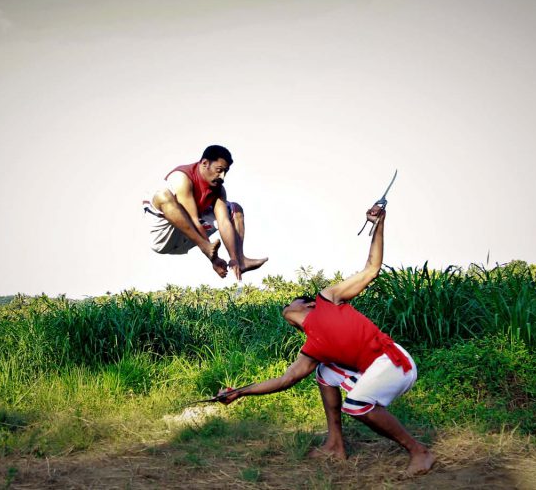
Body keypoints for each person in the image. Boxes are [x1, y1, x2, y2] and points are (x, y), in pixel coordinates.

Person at [216, 206, 435, 476]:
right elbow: (285, 380)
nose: (287, 304)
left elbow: (371, 269)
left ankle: (419, 451)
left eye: (293, 300)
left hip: (394, 363)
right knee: (324, 372)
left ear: (307, 305)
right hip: (374, 370)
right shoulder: (312, 349)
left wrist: (379, 224)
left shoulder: (327, 299)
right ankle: (335, 445)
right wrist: (239, 392)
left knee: (355, 405)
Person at [143, 145, 267, 280]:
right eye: (219, 170)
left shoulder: (218, 189)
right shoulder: (182, 178)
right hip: (164, 237)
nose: (222, 177)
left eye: (225, 172)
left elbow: (224, 222)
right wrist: (212, 257)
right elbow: (193, 220)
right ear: (205, 163)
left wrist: (232, 259)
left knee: (234, 209)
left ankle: (240, 261)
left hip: (189, 234)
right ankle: (207, 248)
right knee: (163, 195)